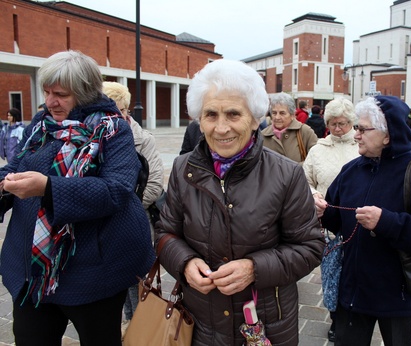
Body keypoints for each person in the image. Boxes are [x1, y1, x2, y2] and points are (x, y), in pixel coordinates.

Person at [156, 59, 325, 345]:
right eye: (211, 115)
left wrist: (254, 268)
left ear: (255, 117)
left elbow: (310, 247)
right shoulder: (183, 168)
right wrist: (185, 263)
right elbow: (164, 233)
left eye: (233, 114)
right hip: (199, 324)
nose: (221, 128)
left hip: (266, 324)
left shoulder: (287, 174)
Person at [0, 50, 155, 345]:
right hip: (33, 268)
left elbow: (117, 190)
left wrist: (48, 188)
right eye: (46, 92)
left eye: (60, 94)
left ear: (84, 93)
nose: (50, 102)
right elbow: (16, 165)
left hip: (94, 272)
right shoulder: (41, 124)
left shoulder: (113, 130)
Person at [316, 96, 411, 346]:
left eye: (363, 129)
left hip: (397, 295)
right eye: (357, 128)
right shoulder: (352, 170)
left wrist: (385, 221)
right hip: (354, 290)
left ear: (388, 135)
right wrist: (322, 211)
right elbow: (338, 221)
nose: (356, 135)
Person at [102, 81, 164, 324]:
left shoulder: (142, 139)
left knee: (137, 286)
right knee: (116, 286)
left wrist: (125, 210)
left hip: (134, 223)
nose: (114, 117)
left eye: (119, 111)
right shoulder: (93, 137)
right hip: (104, 229)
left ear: (126, 110)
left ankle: (139, 330)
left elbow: (155, 183)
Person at [302, 97, 359, 343]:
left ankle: (354, 315)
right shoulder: (318, 149)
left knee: (355, 272)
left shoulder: (361, 146)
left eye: (343, 123)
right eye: (333, 123)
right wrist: (314, 196)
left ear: (352, 123)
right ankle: (336, 317)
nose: (338, 128)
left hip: (358, 221)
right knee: (332, 272)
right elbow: (305, 180)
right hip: (328, 222)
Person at [261, 92, 318, 164]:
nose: (277, 117)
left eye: (282, 113)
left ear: (292, 115)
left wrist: (295, 170)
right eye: (274, 113)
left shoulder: (305, 132)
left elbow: (316, 159)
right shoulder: (262, 136)